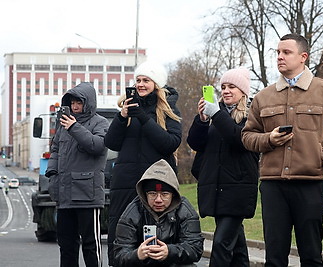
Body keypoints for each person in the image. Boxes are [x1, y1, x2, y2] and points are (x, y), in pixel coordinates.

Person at [241, 33, 323, 266]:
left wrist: (321, 156)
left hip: (310, 183)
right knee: (274, 257)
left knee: (312, 255)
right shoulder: (263, 97)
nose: (280, 57)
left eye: (286, 52)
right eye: (278, 53)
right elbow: (247, 137)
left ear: (303, 57)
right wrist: (269, 139)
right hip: (273, 186)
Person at [104, 61, 182, 266]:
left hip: (155, 184)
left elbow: (171, 143)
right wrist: (122, 117)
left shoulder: (168, 109)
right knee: (120, 231)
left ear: (156, 84)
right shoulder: (126, 109)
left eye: (146, 80)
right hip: (124, 182)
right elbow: (111, 143)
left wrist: (144, 119)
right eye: (138, 80)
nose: (140, 84)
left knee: (152, 233)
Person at [187, 67, 259, 267]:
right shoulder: (213, 113)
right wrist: (202, 120)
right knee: (237, 249)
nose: (226, 91)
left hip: (238, 189)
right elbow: (195, 143)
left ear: (243, 91)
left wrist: (216, 115)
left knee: (220, 245)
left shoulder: (252, 114)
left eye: (232, 87)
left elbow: (239, 139)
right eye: (223, 87)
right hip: (215, 187)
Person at [45, 82, 110, 267]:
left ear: (88, 103)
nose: (74, 107)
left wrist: (74, 127)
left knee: (91, 245)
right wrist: (52, 174)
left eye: (79, 103)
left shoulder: (100, 122)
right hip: (65, 195)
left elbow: (97, 146)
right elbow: (55, 150)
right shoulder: (63, 125)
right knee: (66, 245)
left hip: (87, 194)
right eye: (72, 103)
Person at [113, 159, 204, 267]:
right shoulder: (133, 211)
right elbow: (119, 255)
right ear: (145, 194)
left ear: (173, 194)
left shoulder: (185, 210)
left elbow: (195, 248)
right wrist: (137, 255)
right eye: (152, 193)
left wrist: (170, 252)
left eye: (165, 194)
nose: (158, 200)